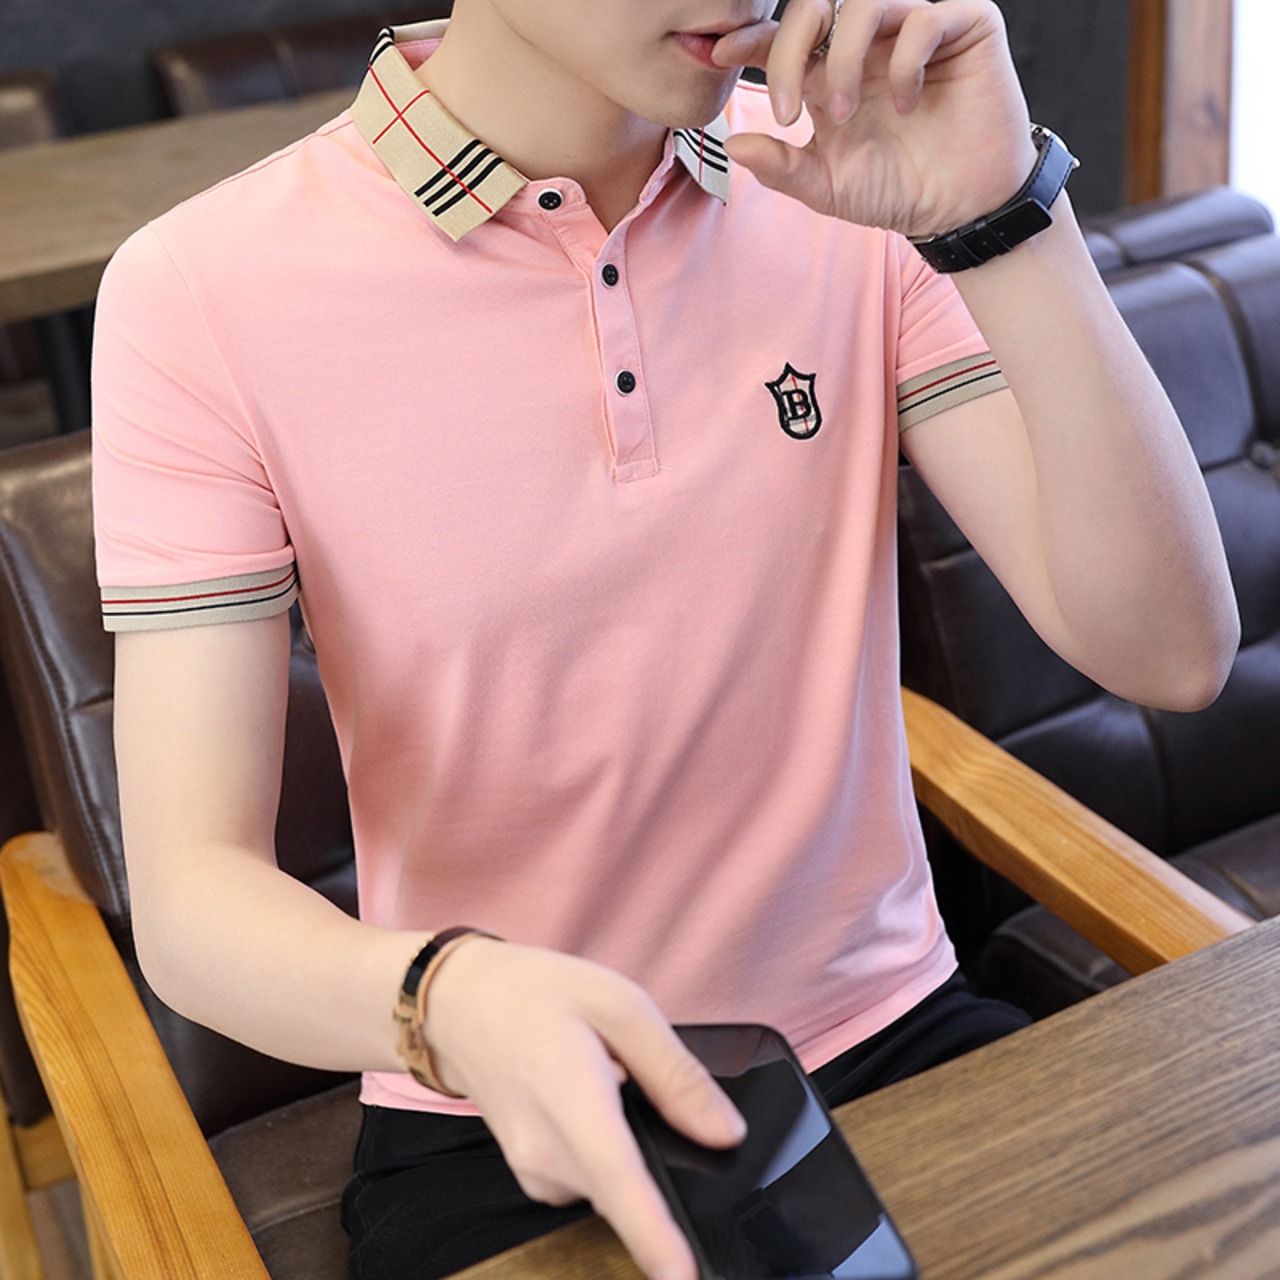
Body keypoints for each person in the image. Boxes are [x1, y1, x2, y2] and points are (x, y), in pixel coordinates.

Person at [91, 2, 1239, 1278]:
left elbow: (1169, 653)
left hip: (893, 1031)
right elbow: (193, 899)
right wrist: (448, 998)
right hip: (497, 1108)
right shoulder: (199, 289)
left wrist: (1000, 210)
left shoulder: (844, 173)